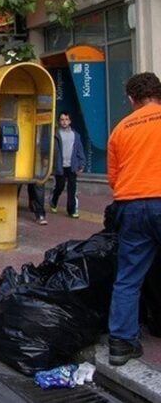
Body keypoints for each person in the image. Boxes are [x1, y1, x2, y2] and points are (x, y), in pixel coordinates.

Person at [106, 72, 161, 366]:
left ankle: (121, 344)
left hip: (131, 205)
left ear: (131, 99)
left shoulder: (120, 129)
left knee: (128, 277)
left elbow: (114, 178)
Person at [50, 112, 85, 218]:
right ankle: (54, 201)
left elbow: (79, 150)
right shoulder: (55, 135)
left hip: (72, 166)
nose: (64, 122)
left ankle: (72, 210)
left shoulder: (75, 135)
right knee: (59, 186)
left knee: (72, 189)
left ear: (70, 121)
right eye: (62, 120)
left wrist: (81, 163)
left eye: (66, 119)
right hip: (60, 166)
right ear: (59, 121)